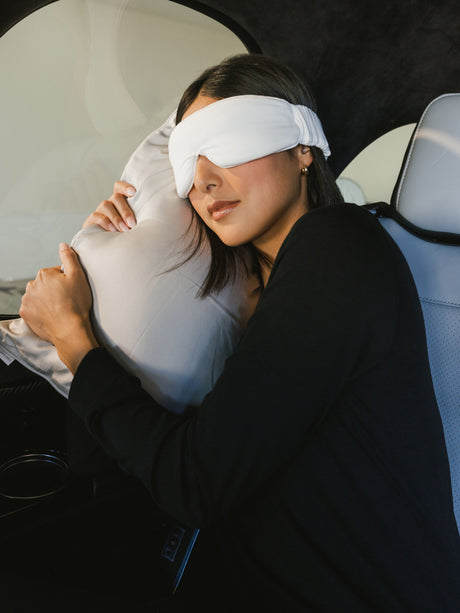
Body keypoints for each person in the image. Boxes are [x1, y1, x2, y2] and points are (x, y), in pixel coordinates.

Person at [19, 54, 460, 611]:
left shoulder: (338, 246)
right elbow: (107, 469)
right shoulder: (242, 299)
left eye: (226, 140)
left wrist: (75, 339)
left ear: (303, 147)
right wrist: (109, 273)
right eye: (187, 161)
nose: (204, 179)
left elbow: (196, 485)